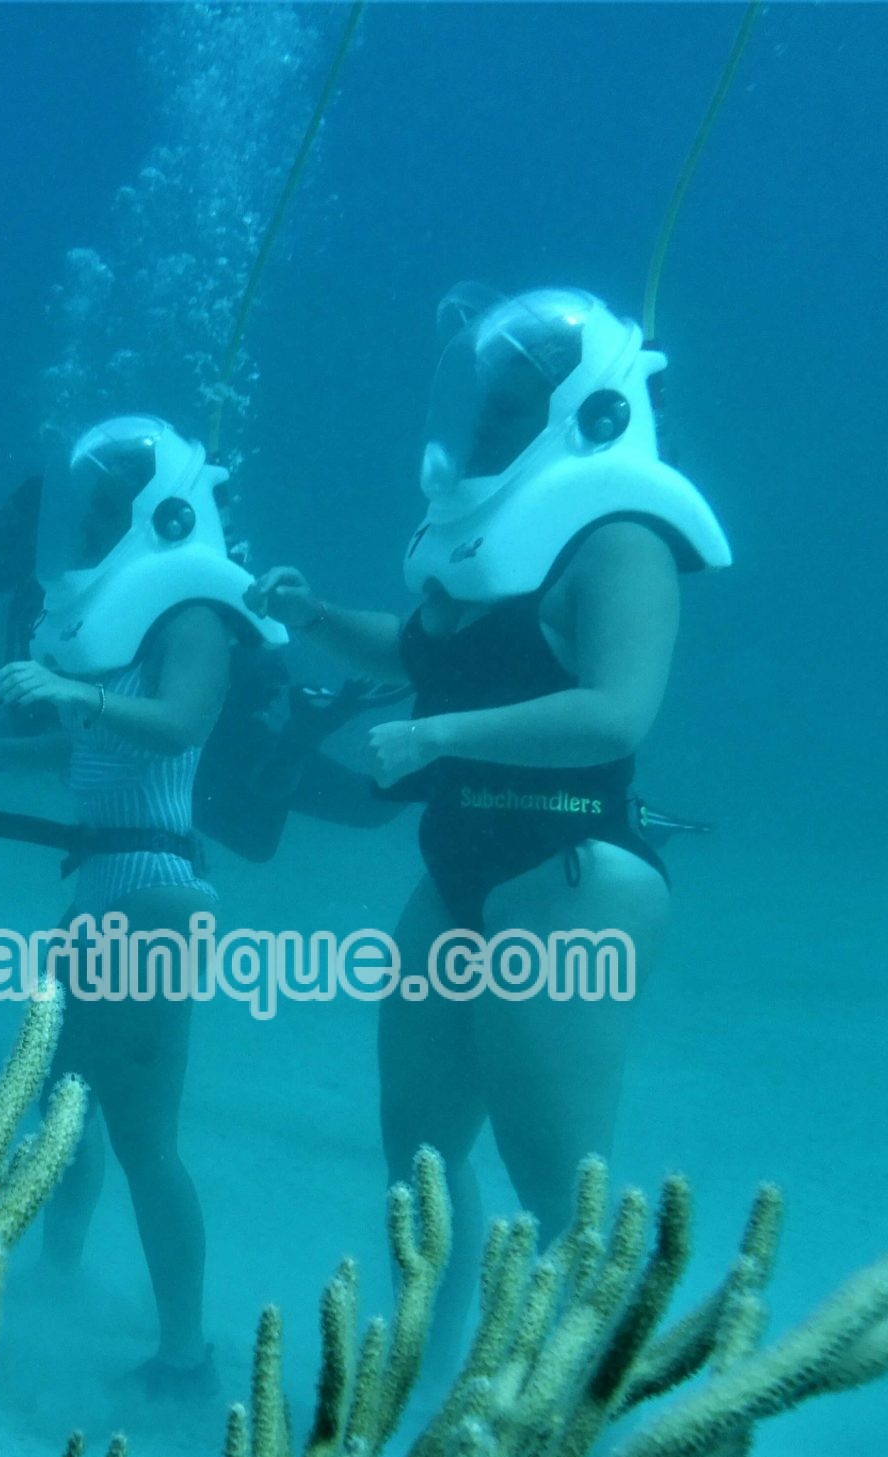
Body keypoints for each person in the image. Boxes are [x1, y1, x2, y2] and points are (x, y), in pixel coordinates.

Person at [247, 286, 731, 1341]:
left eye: (515, 405)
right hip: (458, 867)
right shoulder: (486, 544)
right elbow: (421, 655)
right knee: (415, 1153)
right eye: (486, 399)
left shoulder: (620, 541)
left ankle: (556, 1431)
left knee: (554, 1183)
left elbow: (614, 712)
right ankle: (424, 1377)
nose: (484, 423)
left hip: (568, 869)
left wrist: (437, 739)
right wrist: (318, 617)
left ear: (588, 413)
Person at [0, 416, 287, 1396]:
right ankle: (57, 1279)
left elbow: (176, 728)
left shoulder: (191, 617)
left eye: (109, 508)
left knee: (140, 1132)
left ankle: (183, 1354)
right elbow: (92, 752)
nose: (87, 527)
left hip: (155, 898)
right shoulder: (124, 623)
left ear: (151, 513)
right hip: (102, 895)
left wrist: (67, 696)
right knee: (63, 1109)